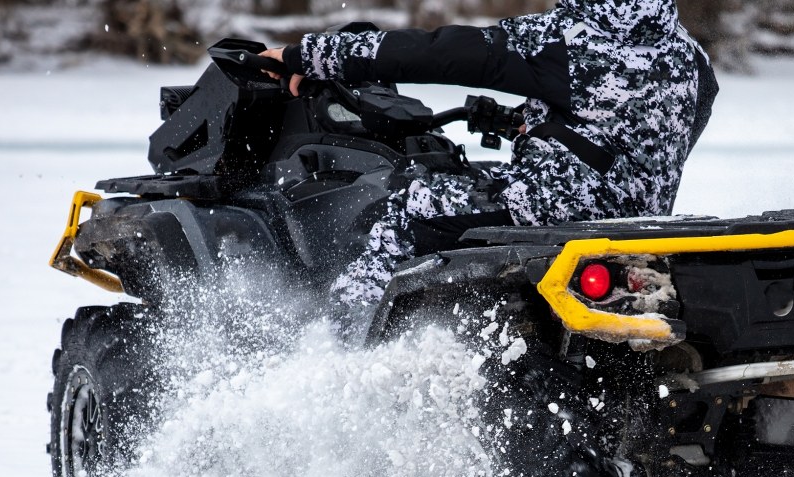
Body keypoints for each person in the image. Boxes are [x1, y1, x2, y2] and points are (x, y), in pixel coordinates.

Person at [260, 0, 717, 311]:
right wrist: (541, 126)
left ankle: (339, 347)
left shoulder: (563, 40)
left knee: (403, 210)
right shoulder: (688, 54)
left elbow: (440, 53)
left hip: (556, 208)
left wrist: (307, 56)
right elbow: (651, 126)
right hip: (642, 220)